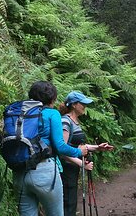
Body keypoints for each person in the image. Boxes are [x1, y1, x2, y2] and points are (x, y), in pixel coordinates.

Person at [13, 81, 90, 216]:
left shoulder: (19, 112)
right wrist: (79, 151)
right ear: (52, 98)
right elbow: (60, 146)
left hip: (20, 172)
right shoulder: (52, 113)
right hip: (44, 172)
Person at [58, 90, 114, 216]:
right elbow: (61, 150)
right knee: (68, 204)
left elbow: (78, 146)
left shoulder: (74, 121)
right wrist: (81, 164)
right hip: (66, 170)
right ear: (73, 104)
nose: (85, 106)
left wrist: (98, 147)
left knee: (71, 202)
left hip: (72, 169)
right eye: (82, 103)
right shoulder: (65, 122)